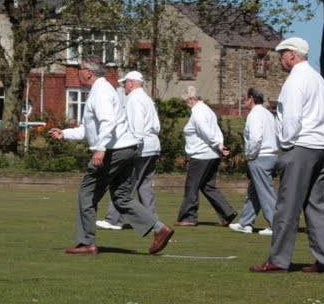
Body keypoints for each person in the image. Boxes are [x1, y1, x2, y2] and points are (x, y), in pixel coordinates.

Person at [48, 56, 174, 255]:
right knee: (122, 197)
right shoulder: (100, 91)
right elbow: (89, 130)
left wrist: (100, 149)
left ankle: (87, 243)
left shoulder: (101, 92)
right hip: (126, 148)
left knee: (87, 193)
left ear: (88, 72)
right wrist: (64, 133)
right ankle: (160, 229)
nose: (77, 71)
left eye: (79, 68)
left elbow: (107, 122)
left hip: (114, 150)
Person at [249, 37, 324, 274]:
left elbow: (291, 117)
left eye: (282, 54)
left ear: (292, 55)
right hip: (323, 147)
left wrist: (286, 145)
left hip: (302, 147)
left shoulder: (295, 81)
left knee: (287, 207)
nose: (280, 59)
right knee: (316, 206)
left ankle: (278, 260)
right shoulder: (318, 79)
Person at [97, 70, 161, 230]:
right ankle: (153, 222)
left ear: (131, 83)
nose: (124, 86)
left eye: (125, 83)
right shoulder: (147, 99)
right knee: (145, 187)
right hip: (153, 146)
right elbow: (157, 126)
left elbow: (137, 126)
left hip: (140, 148)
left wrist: (135, 145)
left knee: (124, 184)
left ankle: (113, 219)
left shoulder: (134, 99)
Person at [175, 86, 237, 227]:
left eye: (185, 101)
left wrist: (218, 145)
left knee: (192, 187)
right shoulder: (207, 110)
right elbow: (216, 130)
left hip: (201, 156)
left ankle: (189, 217)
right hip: (212, 155)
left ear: (191, 99)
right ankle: (227, 213)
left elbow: (207, 132)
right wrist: (219, 145)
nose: (185, 104)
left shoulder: (197, 113)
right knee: (208, 186)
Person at [229, 87, 277, 235]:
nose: (244, 100)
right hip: (271, 155)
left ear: (251, 98)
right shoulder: (268, 114)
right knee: (254, 191)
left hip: (260, 156)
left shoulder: (254, 115)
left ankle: (275, 225)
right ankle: (246, 223)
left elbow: (256, 138)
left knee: (265, 191)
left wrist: (250, 155)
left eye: (246, 98)